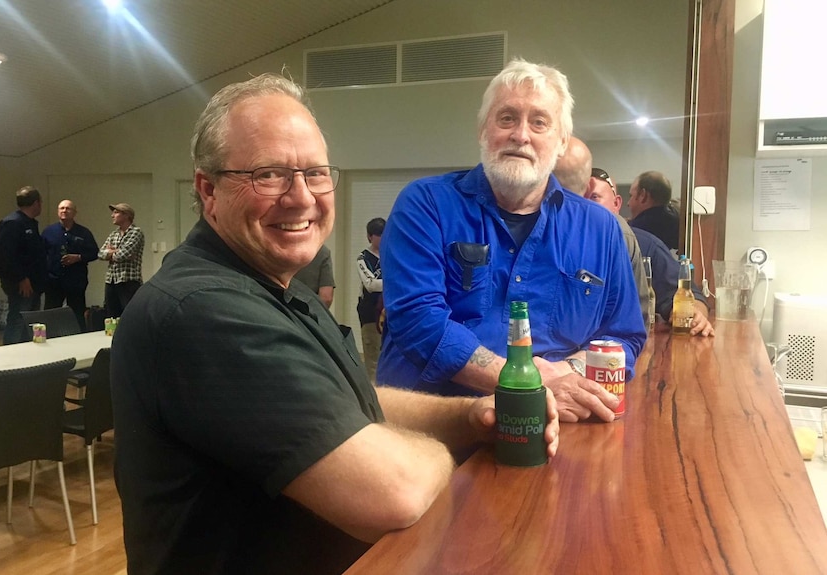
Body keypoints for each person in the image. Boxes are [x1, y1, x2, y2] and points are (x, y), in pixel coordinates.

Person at [110, 73, 559, 575]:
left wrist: (470, 418)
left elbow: (350, 399)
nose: (302, 197)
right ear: (208, 190)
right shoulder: (202, 311)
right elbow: (396, 493)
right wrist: (439, 452)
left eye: (316, 173)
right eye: (269, 174)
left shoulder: (282, 290)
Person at [377, 58, 646, 423]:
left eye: (539, 122)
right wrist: (529, 383)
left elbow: (622, 336)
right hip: (436, 428)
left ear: (562, 141)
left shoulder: (601, 229)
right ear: (482, 130)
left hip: (560, 427)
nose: (521, 134)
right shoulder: (425, 206)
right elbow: (417, 321)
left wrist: (565, 374)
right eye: (507, 118)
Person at [584, 168, 715, 336]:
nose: (584, 205)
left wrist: (695, 315)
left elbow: (687, 295)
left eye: (594, 197)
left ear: (616, 204)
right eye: (577, 198)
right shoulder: (552, 243)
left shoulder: (644, 245)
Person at [554, 137, 651, 331]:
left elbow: (633, 323)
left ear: (617, 204)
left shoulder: (621, 235)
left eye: (594, 198)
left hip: (600, 355)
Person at [0, 186, 47, 344]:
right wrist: (21, 278)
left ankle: (27, 356)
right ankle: (11, 358)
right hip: (22, 283)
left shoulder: (29, 223)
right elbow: (6, 255)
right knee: (17, 320)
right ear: (37, 203)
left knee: (29, 323)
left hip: (34, 282)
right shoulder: (12, 223)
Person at [41, 199, 99, 331]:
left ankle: (79, 341)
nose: (64, 211)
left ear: (74, 212)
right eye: (61, 208)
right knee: (50, 314)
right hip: (53, 281)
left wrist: (78, 257)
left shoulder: (84, 233)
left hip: (76, 281)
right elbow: (40, 255)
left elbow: (95, 253)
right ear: (58, 211)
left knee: (77, 313)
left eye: (68, 208)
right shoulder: (48, 232)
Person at [98, 203, 144, 317]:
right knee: (111, 316)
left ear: (126, 215)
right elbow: (100, 254)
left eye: (116, 212)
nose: (112, 215)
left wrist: (111, 252)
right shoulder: (113, 234)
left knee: (130, 315)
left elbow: (123, 254)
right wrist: (114, 252)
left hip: (128, 281)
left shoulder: (136, 232)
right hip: (111, 280)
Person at [357, 217, 385, 382]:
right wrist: (394, 282)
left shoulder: (392, 255)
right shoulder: (363, 258)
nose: (382, 238)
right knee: (373, 357)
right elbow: (370, 284)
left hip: (389, 311)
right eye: (378, 234)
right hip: (370, 312)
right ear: (370, 236)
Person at [627, 170, 680, 251]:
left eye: (631, 196)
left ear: (643, 195)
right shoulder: (677, 223)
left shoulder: (632, 232)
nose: (628, 203)